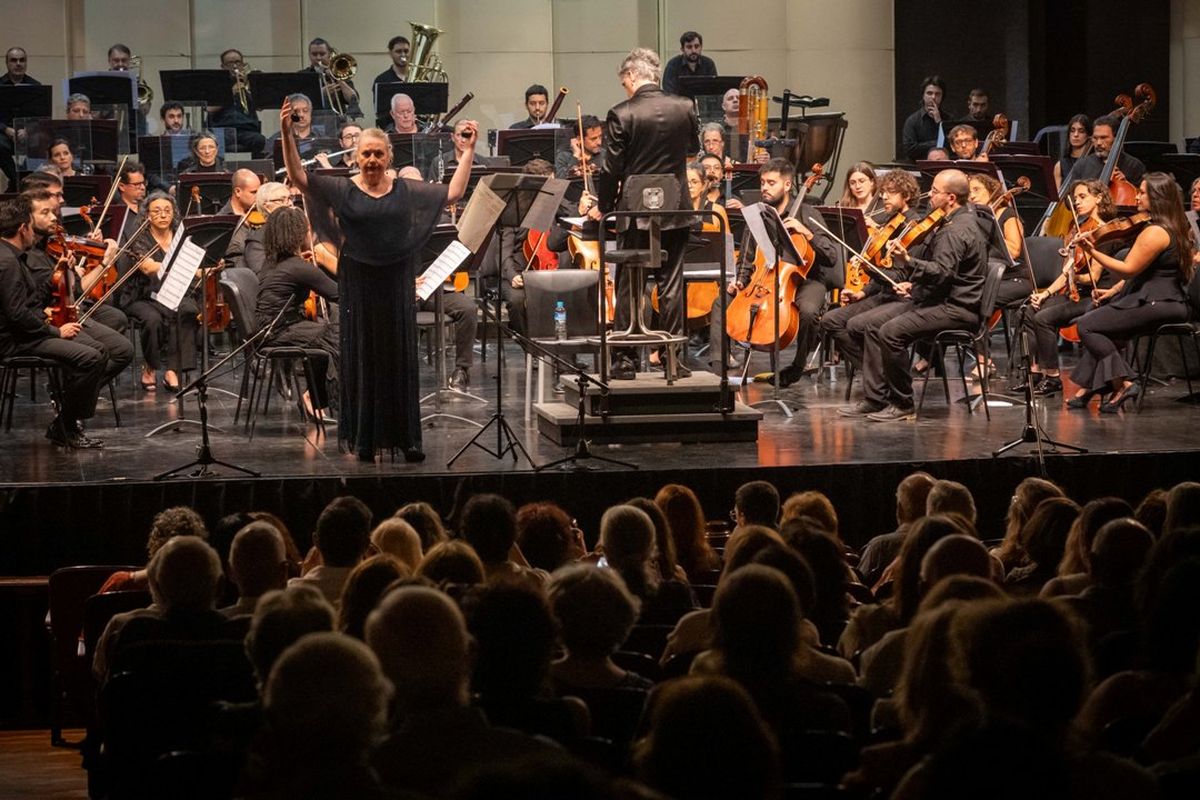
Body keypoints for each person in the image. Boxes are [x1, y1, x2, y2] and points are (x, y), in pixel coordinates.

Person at [280, 99, 477, 462]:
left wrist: (466, 153)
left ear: (388, 157)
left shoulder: (404, 189)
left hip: (396, 283)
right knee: (364, 359)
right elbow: (299, 179)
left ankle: (407, 439)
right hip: (359, 285)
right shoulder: (343, 189)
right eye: (365, 154)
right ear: (355, 157)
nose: (371, 160)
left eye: (377, 154)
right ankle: (366, 440)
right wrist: (287, 135)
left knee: (399, 358)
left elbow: (453, 193)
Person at [596, 47, 698, 381]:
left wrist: (605, 206)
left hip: (635, 208)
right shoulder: (685, 107)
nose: (624, 87)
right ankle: (673, 357)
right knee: (671, 283)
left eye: (623, 81)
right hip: (676, 205)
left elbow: (611, 169)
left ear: (631, 76)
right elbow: (694, 149)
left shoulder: (622, 113)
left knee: (629, 282)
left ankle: (624, 360)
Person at [859, 168, 988, 421]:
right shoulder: (958, 221)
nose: (930, 196)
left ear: (951, 198)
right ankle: (877, 398)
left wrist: (908, 261)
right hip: (942, 299)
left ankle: (903, 403)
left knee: (890, 332)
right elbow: (947, 274)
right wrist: (913, 285)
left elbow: (942, 271)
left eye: (936, 192)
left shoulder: (954, 230)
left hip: (957, 309)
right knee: (875, 325)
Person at [1068, 172, 1195, 412]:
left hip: (1158, 302)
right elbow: (1143, 272)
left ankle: (1125, 382)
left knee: (1087, 325)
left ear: (1157, 197)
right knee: (1105, 324)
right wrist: (1113, 290)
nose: (1137, 196)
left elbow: (1128, 269)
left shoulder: (1155, 232)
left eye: (1143, 192)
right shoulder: (1174, 226)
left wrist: (1092, 251)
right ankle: (1098, 386)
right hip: (1163, 299)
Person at [720, 158, 839, 387]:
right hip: (764, 280)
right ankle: (720, 368)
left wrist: (808, 234)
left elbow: (831, 257)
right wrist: (741, 281)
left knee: (808, 311)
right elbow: (747, 257)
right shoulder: (758, 216)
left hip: (807, 279)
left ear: (787, 185)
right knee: (722, 301)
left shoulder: (808, 213)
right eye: (763, 182)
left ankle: (797, 366)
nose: (764, 187)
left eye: (771, 183)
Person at [0, 196, 106, 447]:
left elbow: (29, 303)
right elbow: (17, 315)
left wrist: (53, 278)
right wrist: (55, 332)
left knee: (98, 350)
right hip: (15, 341)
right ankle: (65, 424)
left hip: (23, 332)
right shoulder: (8, 263)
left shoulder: (12, 255)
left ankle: (66, 419)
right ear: (23, 228)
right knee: (91, 357)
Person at [826, 169, 924, 414]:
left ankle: (877, 392)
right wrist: (863, 292)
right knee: (831, 321)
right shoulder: (889, 224)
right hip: (882, 293)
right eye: (883, 194)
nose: (884, 199)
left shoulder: (914, 229)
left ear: (906, 195)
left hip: (902, 297)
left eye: (890, 194)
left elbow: (899, 278)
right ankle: (879, 376)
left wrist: (869, 269)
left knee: (862, 324)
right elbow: (884, 273)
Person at [1020, 180, 1119, 396]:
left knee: (1043, 318)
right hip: (1075, 292)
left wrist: (1073, 275)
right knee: (1030, 310)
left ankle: (1053, 377)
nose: (1077, 202)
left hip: (1094, 295)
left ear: (1099, 198)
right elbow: (1067, 272)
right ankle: (1034, 372)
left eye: (1083, 197)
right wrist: (1045, 294)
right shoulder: (1078, 229)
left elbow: (1092, 276)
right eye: (1075, 198)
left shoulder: (1103, 233)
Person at [254, 206, 340, 419]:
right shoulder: (297, 267)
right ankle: (340, 405)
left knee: (329, 333)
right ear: (298, 233)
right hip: (279, 332)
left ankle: (314, 396)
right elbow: (339, 294)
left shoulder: (273, 262)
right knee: (341, 336)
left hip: (267, 329)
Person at [116, 191, 199, 392]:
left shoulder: (183, 237)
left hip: (172, 292)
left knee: (188, 309)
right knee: (152, 319)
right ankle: (151, 367)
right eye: (157, 211)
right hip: (142, 295)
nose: (163, 215)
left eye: (167, 211)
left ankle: (173, 369)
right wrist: (175, 266)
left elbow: (196, 265)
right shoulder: (138, 237)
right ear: (147, 215)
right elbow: (147, 267)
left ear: (173, 214)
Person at [968, 172, 1030, 313]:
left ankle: (979, 334)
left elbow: (1014, 251)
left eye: (977, 190)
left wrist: (987, 233)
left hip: (1015, 278)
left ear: (991, 190)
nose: (972, 196)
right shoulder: (975, 217)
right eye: (969, 192)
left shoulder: (1007, 214)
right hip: (989, 276)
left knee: (978, 298)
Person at [209, 49, 267, 158]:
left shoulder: (250, 82)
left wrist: (250, 89)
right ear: (223, 67)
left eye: (238, 62)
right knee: (212, 142)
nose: (235, 66)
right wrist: (230, 93)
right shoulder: (215, 84)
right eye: (230, 63)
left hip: (247, 130)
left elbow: (260, 106)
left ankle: (257, 172)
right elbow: (209, 108)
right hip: (223, 130)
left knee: (260, 141)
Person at [1, 47, 40, 188]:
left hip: (28, 133)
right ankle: (20, 183)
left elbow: (41, 116)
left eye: (22, 60)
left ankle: (19, 183)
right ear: (7, 63)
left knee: (41, 141)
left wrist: (28, 130)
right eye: (14, 60)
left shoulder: (36, 86)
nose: (18, 63)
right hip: (4, 134)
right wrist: (6, 129)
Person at [1073, 114, 1145, 187]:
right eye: (1095, 138)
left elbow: (1142, 194)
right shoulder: (1081, 165)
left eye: (1103, 137)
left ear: (1116, 138)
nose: (1098, 143)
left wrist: (1127, 184)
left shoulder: (1134, 166)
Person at [304, 37, 361, 120]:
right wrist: (321, 94)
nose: (318, 58)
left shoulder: (340, 74)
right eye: (314, 54)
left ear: (329, 54)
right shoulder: (303, 75)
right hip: (312, 121)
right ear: (309, 55)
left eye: (322, 54)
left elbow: (354, 100)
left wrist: (337, 77)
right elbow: (297, 102)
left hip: (338, 121)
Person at [901, 75, 947, 162]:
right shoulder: (912, 120)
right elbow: (910, 149)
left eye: (937, 94)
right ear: (923, 95)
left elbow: (951, 146)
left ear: (942, 96)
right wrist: (937, 143)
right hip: (916, 167)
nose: (933, 97)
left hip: (943, 166)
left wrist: (939, 122)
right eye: (929, 93)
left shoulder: (949, 119)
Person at [661, 31, 717, 95]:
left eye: (696, 46)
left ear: (701, 47)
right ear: (682, 49)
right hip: (680, 103)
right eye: (689, 47)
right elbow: (668, 91)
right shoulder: (673, 64)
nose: (693, 50)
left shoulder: (708, 64)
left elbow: (714, 90)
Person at [371, 35, 411, 128]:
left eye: (406, 51)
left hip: (417, 127)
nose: (403, 55)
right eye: (398, 51)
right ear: (390, 53)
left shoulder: (421, 77)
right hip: (392, 127)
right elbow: (380, 112)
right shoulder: (382, 80)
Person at [555, 114, 604, 178]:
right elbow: (560, 181)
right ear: (579, 138)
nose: (599, 142)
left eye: (600, 137)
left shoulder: (606, 156)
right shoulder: (563, 157)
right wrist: (575, 156)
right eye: (593, 139)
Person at [1054, 114, 1092, 190]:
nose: (1075, 135)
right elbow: (1057, 197)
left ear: (1088, 135)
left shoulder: (1094, 163)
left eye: (1081, 131)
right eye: (1072, 131)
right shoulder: (1060, 165)